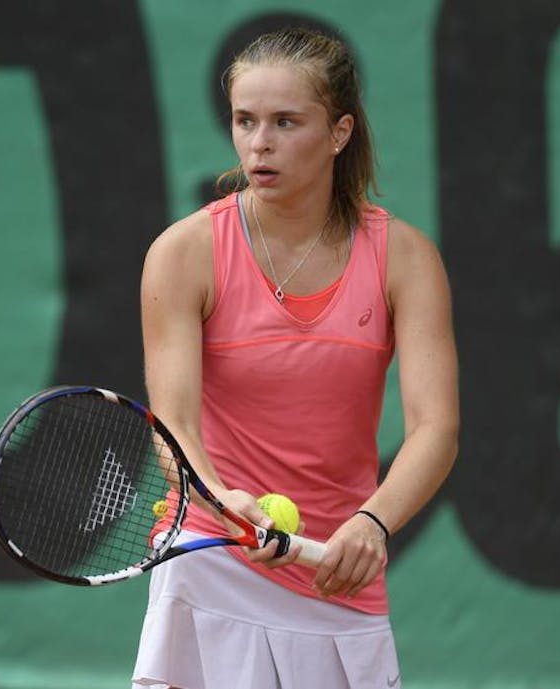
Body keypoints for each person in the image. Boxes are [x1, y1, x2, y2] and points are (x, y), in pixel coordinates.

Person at [132, 26, 459, 689]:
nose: (260, 142)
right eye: (245, 121)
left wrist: (373, 522)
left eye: (286, 121)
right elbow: (175, 426)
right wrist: (225, 501)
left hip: (338, 569)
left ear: (339, 132)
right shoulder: (183, 252)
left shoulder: (406, 259)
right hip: (212, 556)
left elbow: (437, 428)